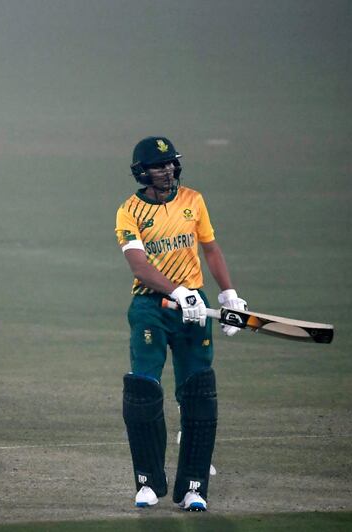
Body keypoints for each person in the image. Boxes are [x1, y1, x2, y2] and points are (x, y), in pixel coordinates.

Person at [114, 137, 247, 511]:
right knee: (142, 390)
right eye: (159, 166)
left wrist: (228, 295)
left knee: (198, 393)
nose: (168, 170)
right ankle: (147, 482)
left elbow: (210, 249)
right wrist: (177, 291)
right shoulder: (128, 212)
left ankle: (194, 487)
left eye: (172, 163)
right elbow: (140, 266)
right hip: (149, 308)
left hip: (194, 309)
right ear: (142, 171)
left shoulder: (194, 200)